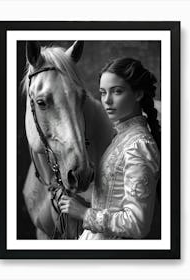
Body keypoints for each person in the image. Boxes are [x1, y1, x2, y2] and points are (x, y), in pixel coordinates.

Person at [59, 57, 161, 239]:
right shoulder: (122, 138)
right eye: (103, 92)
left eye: (117, 91)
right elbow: (114, 199)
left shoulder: (138, 145)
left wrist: (84, 214)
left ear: (137, 94)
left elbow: (137, 224)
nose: (107, 100)